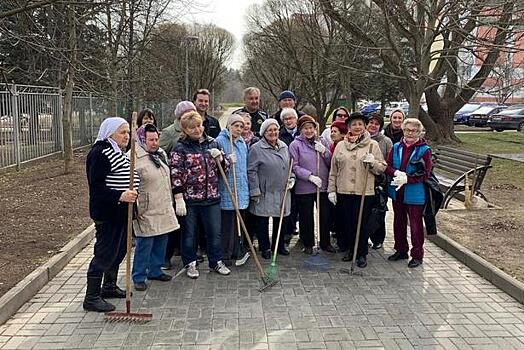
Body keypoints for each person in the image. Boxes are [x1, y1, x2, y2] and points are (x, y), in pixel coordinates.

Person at [84, 117, 140, 312]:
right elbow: (97, 187)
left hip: (122, 212)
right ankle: (91, 297)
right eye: (122, 132)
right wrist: (121, 195)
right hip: (108, 213)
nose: (127, 136)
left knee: (119, 251)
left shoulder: (119, 152)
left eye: (128, 132)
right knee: (104, 253)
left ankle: (108, 286)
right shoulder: (100, 153)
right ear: (110, 133)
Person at [170, 111, 231, 278]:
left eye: (199, 125)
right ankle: (190, 263)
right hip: (190, 200)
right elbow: (175, 173)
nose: (197, 130)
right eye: (192, 127)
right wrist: (178, 197)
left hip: (211, 197)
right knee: (189, 234)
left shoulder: (212, 143)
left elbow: (223, 170)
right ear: (185, 129)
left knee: (214, 232)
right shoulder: (180, 147)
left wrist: (222, 159)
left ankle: (216, 261)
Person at [327, 112, 386, 268]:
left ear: (365, 126)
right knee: (347, 223)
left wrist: (373, 163)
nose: (357, 127)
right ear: (349, 127)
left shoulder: (373, 145)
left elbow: (381, 168)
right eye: (354, 124)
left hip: (364, 192)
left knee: (361, 223)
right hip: (344, 191)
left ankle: (361, 254)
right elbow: (334, 170)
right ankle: (351, 251)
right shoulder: (340, 145)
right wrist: (331, 189)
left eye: (360, 124)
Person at [130, 124, 179, 291]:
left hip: (163, 203)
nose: (154, 143)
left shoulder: (160, 154)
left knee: (161, 238)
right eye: (150, 140)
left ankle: (155, 270)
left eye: (156, 139)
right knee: (145, 242)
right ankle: (138, 276)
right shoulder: (133, 157)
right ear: (142, 139)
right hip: (146, 207)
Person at [385, 118, 432, 268]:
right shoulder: (397, 146)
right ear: (403, 131)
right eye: (407, 130)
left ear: (419, 132)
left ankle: (417, 254)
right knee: (398, 221)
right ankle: (401, 249)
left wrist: (408, 178)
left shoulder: (424, 150)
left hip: (415, 193)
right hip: (398, 190)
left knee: (416, 225)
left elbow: (426, 173)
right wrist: (396, 172)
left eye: (414, 130)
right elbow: (388, 166)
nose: (410, 133)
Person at [248, 118, 294, 259]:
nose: (273, 132)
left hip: (282, 191)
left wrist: (291, 178)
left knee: (281, 220)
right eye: (269, 130)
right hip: (265, 191)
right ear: (264, 132)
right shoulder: (256, 148)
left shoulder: (284, 147)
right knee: (262, 220)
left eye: (275, 129)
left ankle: (278, 246)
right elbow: (251, 170)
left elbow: (289, 165)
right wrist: (255, 190)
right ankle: (265, 247)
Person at [158, 100, 196, 270]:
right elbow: (159, 152)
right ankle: (166, 256)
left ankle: (186, 252)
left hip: (191, 188)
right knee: (172, 223)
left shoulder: (196, 130)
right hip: (172, 183)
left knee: (187, 223)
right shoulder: (169, 132)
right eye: (186, 115)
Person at [289, 115, 335, 254]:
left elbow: (331, 163)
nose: (308, 131)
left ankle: (325, 242)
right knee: (306, 216)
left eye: (311, 128)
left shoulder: (322, 142)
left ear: (315, 129)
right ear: (301, 130)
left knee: (324, 215)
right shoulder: (295, 145)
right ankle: (308, 242)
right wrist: (309, 176)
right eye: (305, 128)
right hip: (305, 187)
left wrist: (325, 152)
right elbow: (294, 166)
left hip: (322, 185)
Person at [215, 114, 250, 267]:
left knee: (238, 224)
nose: (239, 129)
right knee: (227, 225)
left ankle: (236, 250)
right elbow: (216, 167)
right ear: (229, 126)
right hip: (227, 189)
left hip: (241, 189)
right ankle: (225, 254)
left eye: (241, 127)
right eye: (236, 125)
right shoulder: (220, 141)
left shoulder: (242, 142)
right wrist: (227, 160)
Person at [366, 113, 393, 250]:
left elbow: (389, 163)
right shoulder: (361, 139)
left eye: (376, 124)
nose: (373, 126)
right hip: (364, 181)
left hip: (380, 182)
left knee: (378, 212)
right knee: (366, 212)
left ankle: (378, 238)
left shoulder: (386, 141)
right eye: (371, 123)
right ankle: (365, 237)